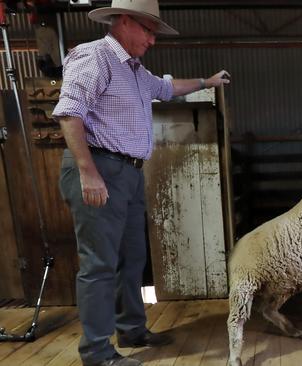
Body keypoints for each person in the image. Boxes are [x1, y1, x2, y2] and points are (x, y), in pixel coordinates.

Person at [53, 1, 230, 365]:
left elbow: (166, 88)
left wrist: (206, 82)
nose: (152, 39)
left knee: (131, 258)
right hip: (99, 166)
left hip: (128, 173)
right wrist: (88, 173)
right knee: (99, 264)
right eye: (148, 30)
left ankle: (131, 329)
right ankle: (97, 352)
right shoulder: (95, 57)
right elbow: (70, 114)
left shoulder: (133, 70)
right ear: (123, 21)